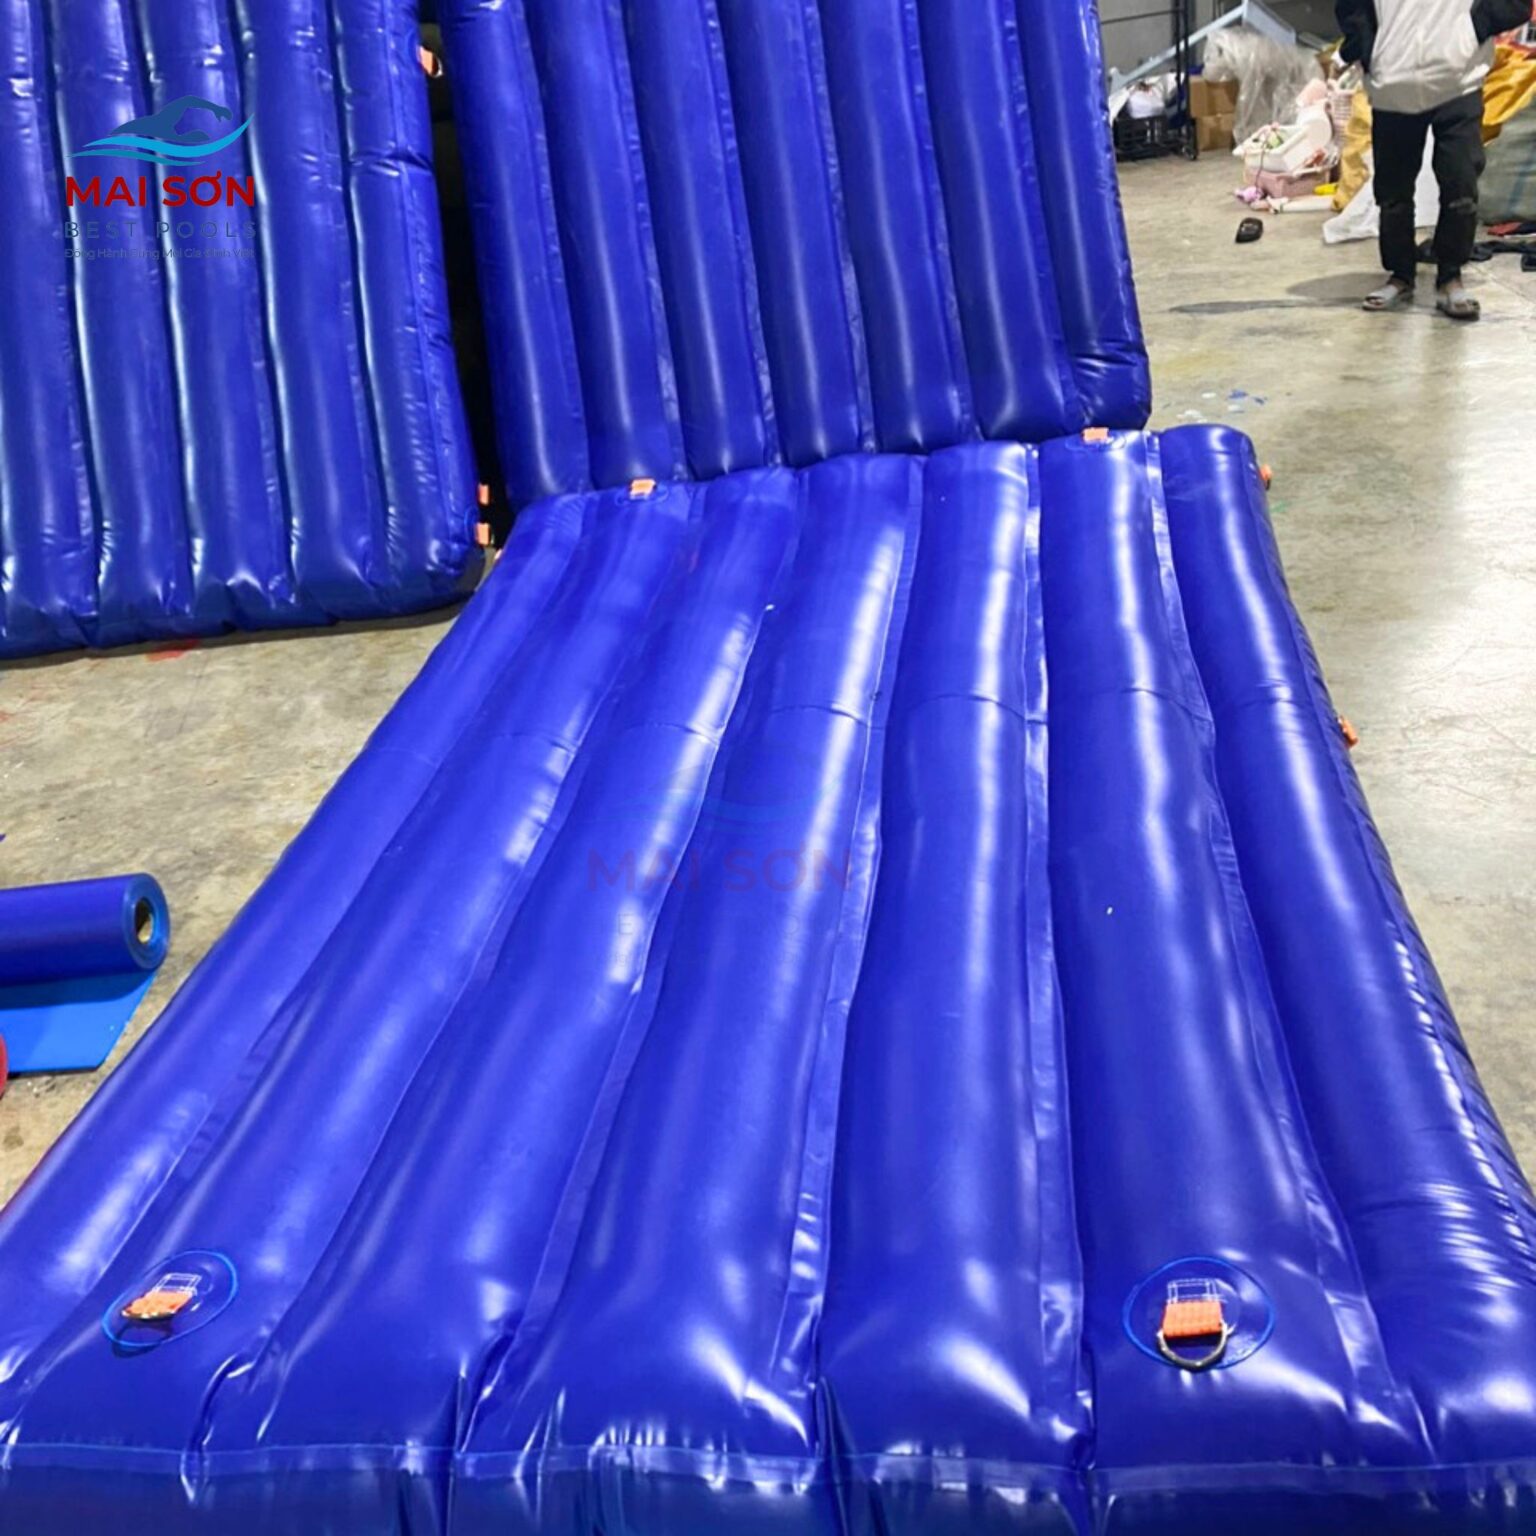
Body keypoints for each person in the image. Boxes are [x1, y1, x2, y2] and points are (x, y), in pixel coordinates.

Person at [1337, 0, 1532, 320]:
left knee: (1460, 186)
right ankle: (1400, 275)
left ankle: (1450, 278)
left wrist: (1471, 31)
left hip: (1459, 82)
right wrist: (1368, 51)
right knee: (1393, 192)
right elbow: (1351, 6)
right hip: (1393, 85)